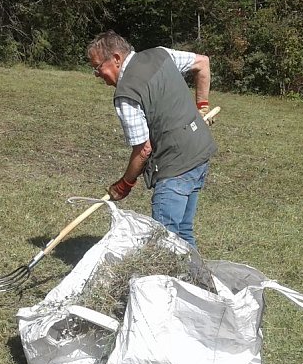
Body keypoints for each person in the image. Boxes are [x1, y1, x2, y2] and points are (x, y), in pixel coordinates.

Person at [86, 30, 217, 249]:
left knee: (164, 241)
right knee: (183, 232)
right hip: (200, 155)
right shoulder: (161, 54)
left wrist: (125, 183)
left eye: (98, 67)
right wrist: (202, 106)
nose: (97, 74)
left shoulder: (126, 94)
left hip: (175, 168)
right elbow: (203, 63)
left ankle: (172, 282)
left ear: (116, 58)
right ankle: (194, 280)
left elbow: (143, 150)